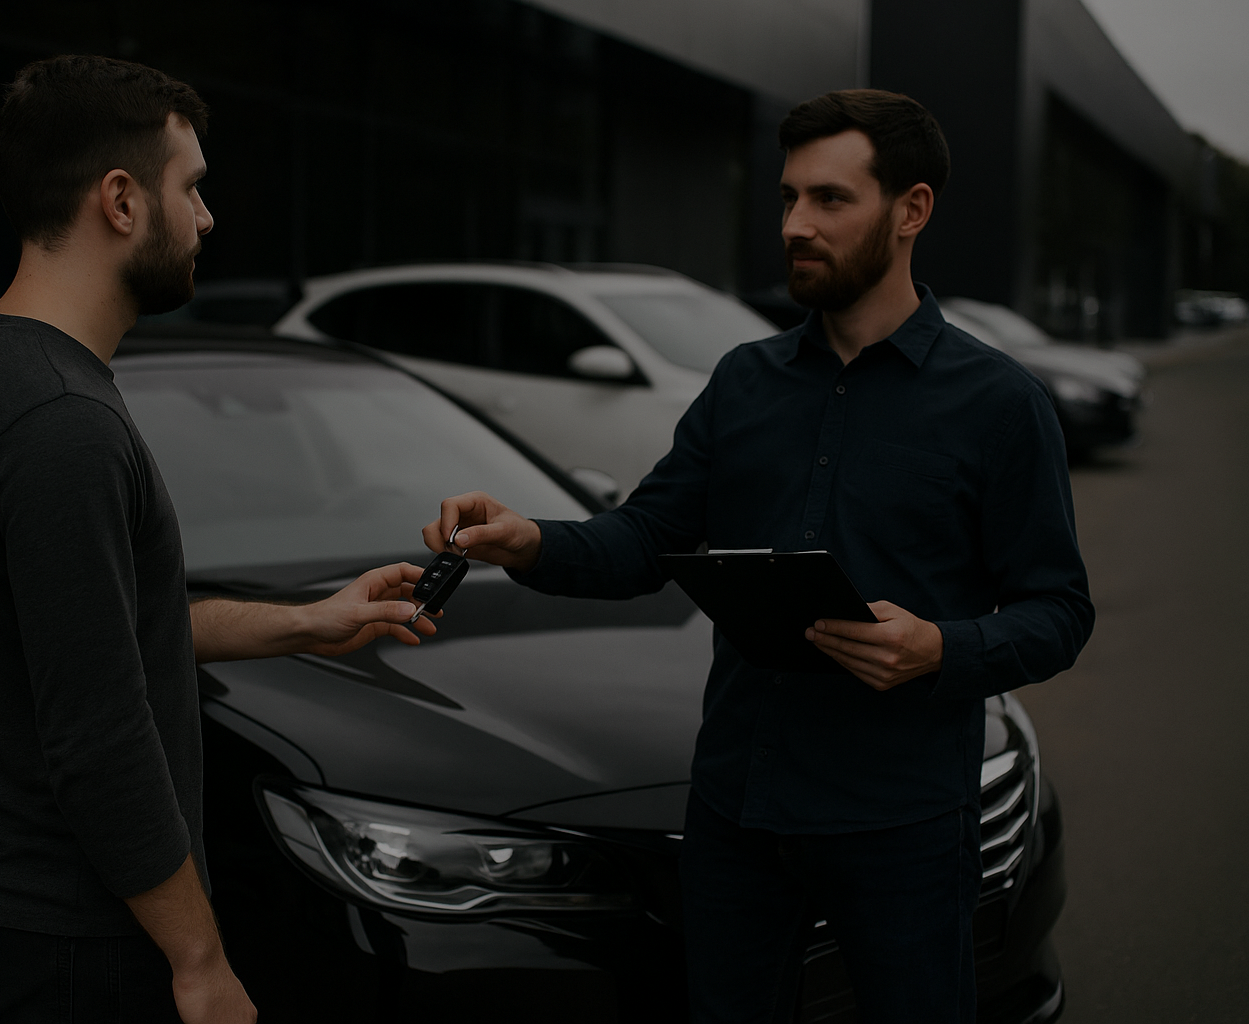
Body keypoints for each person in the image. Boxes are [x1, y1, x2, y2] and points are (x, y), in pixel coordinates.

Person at [422, 89, 1093, 1023]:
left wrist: (941, 649)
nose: (796, 225)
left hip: (899, 823)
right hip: (739, 811)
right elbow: (645, 540)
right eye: (787, 198)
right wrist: (527, 537)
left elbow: (1059, 611)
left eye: (829, 200)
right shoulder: (744, 383)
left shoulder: (1000, 405)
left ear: (912, 211)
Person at [0, 56, 437, 1024]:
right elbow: (97, 733)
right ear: (120, 200)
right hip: (71, 925)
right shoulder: (62, 422)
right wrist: (199, 960)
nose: (207, 217)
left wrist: (308, 623)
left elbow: (96, 631)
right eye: (190, 186)